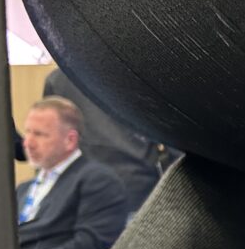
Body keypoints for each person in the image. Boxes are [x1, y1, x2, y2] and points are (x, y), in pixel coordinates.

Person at [16, 97, 128, 249]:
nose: (28, 143)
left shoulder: (98, 180)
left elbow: (90, 244)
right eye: (27, 132)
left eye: (39, 134)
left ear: (70, 140)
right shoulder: (23, 189)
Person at [43, 69, 171, 212]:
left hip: (85, 194)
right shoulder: (146, 72)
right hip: (140, 191)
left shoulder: (59, 79)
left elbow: (49, 147)